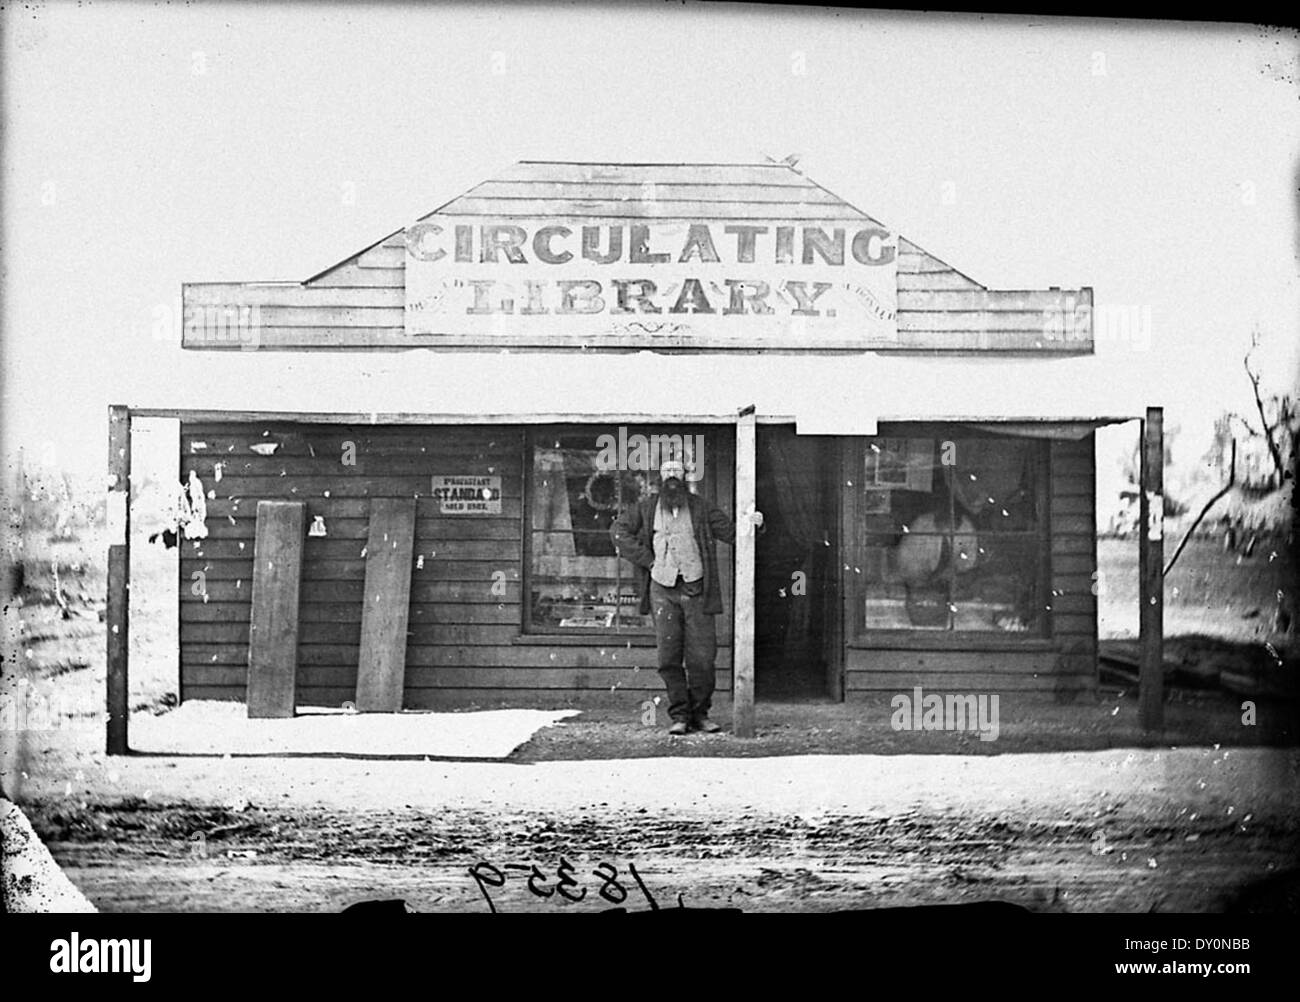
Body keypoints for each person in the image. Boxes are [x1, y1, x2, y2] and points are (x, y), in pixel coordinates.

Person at [611, 458, 761, 735]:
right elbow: (618, 532)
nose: (671, 476)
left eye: (676, 471)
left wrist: (754, 524)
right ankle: (679, 715)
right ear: (660, 477)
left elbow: (731, 533)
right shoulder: (645, 508)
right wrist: (649, 561)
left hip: (696, 590)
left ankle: (700, 714)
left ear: (684, 476)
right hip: (662, 591)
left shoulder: (701, 507)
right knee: (668, 657)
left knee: (702, 659)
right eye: (667, 471)